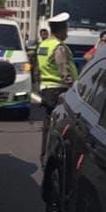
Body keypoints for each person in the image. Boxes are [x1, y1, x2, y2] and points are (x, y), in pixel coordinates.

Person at [37, 13, 78, 155]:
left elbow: (39, 69)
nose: (67, 32)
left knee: (48, 125)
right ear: (61, 30)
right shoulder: (58, 47)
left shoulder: (43, 45)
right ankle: (55, 155)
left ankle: (45, 155)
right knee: (60, 126)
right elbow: (64, 70)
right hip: (58, 90)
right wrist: (74, 87)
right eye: (66, 29)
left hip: (46, 89)